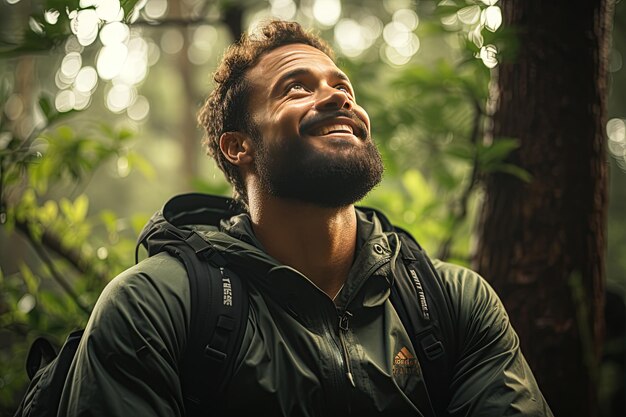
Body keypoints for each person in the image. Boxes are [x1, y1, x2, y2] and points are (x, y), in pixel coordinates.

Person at [58, 20, 553, 416]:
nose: (341, 98)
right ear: (238, 146)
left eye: (344, 88)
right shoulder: (158, 306)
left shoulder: (451, 303)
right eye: (296, 89)